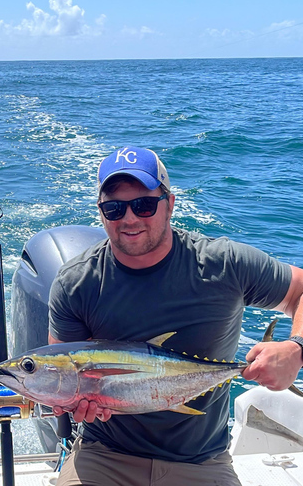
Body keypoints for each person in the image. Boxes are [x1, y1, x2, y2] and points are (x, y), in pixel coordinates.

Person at [47, 147, 303, 486]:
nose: (129, 219)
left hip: (202, 461)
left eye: (144, 204)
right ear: (101, 213)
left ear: (169, 203)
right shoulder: (76, 283)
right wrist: (71, 404)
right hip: (104, 454)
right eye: (114, 208)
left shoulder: (223, 264)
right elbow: (61, 370)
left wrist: (296, 348)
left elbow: (299, 291)